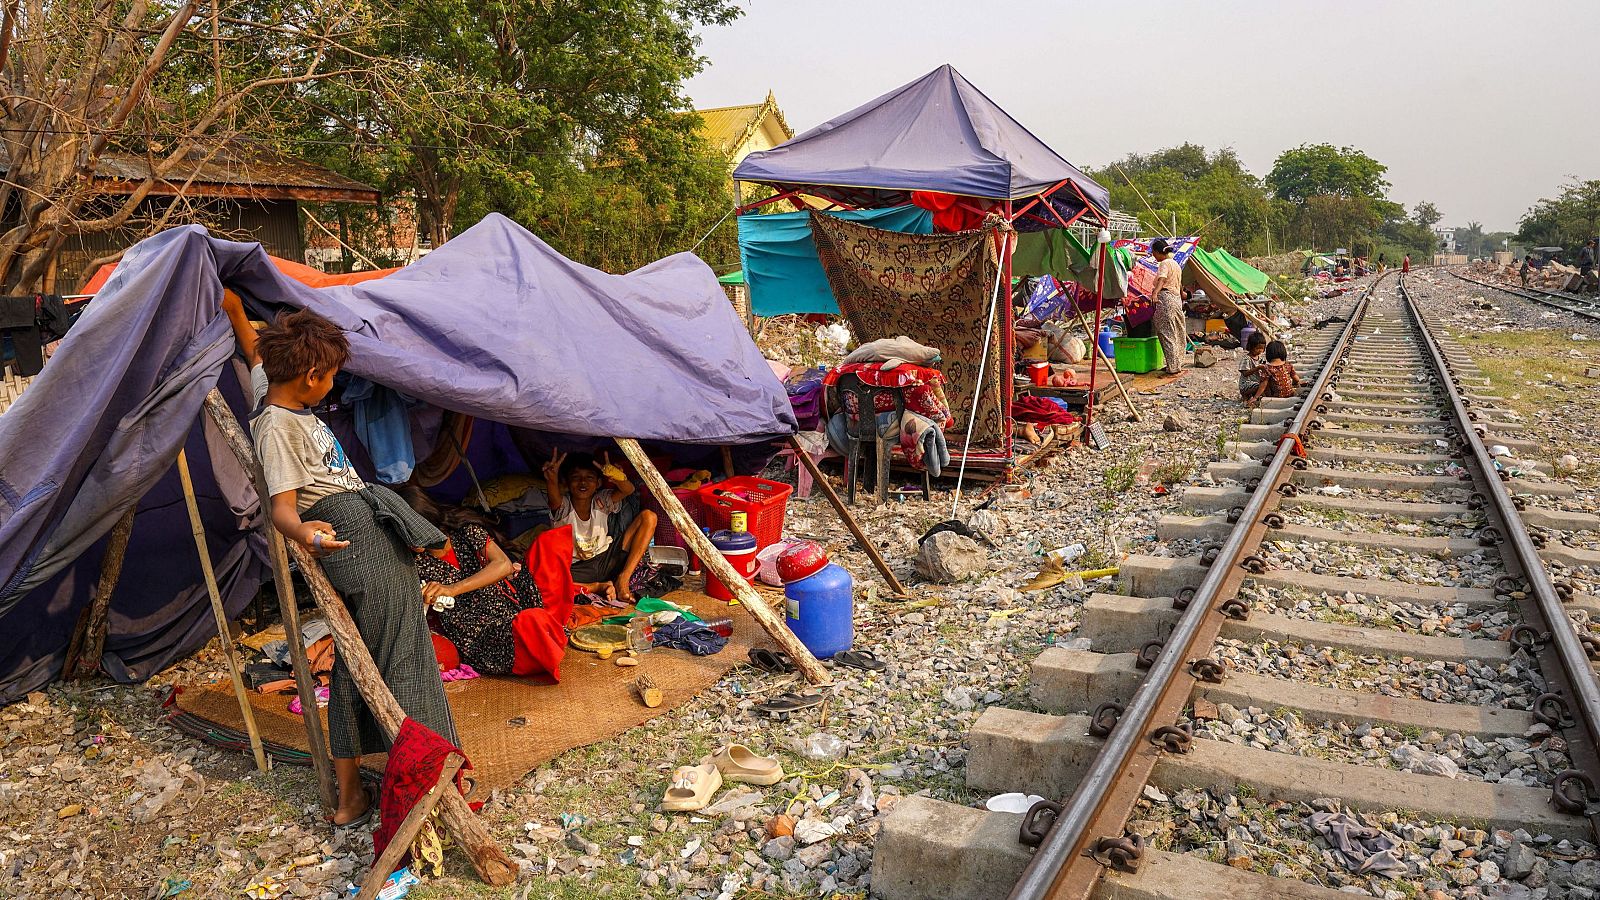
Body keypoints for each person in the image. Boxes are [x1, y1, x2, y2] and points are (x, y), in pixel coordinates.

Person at [224, 297, 455, 829]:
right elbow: (281, 508)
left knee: (358, 663)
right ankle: (428, 780)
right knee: (407, 656)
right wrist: (305, 531)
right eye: (330, 376)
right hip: (352, 538)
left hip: (360, 532)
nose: (333, 385)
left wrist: (237, 312)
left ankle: (351, 796)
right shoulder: (279, 428)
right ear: (309, 377)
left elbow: (257, 359)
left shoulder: (278, 399)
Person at [398, 487, 547, 675]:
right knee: (524, 640)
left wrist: (452, 589)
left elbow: (503, 565)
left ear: (428, 520)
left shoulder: (465, 531)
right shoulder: (413, 562)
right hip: (471, 627)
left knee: (549, 548)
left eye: (411, 530)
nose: (409, 539)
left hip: (504, 605)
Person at [542, 450, 657, 602]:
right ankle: (597, 586)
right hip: (577, 569)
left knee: (649, 517)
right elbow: (554, 499)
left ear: (598, 483)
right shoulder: (563, 506)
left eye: (589, 478)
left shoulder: (601, 501)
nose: (583, 482)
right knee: (544, 583)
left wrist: (618, 478)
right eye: (576, 478)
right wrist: (552, 479)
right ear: (567, 483)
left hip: (607, 559)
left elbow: (628, 490)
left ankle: (623, 579)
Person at [1149, 238, 1185, 375]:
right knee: (1177, 332)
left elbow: (1162, 279)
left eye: (1153, 252)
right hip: (1176, 300)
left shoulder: (1164, 263)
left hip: (1166, 299)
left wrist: (1155, 294)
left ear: (1158, 252)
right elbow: (1179, 284)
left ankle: (1173, 367)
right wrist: (1182, 294)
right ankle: (1176, 364)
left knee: (1166, 333)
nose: (1153, 255)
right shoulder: (1176, 264)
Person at [1245, 340, 1301, 407]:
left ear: (1268, 354)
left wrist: (1255, 397)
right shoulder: (1288, 365)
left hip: (1276, 396)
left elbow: (1263, 384)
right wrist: (1295, 383)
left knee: (1263, 382)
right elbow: (1297, 379)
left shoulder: (1267, 368)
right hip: (1289, 394)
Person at [1237, 332, 1268, 401]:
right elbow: (1245, 373)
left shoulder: (1260, 358)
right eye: (1257, 348)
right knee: (1260, 386)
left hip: (1256, 382)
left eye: (1262, 348)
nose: (1260, 350)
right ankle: (1246, 395)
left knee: (1266, 384)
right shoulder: (1246, 359)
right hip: (1246, 384)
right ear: (1251, 347)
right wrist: (1257, 368)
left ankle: (1255, 397)